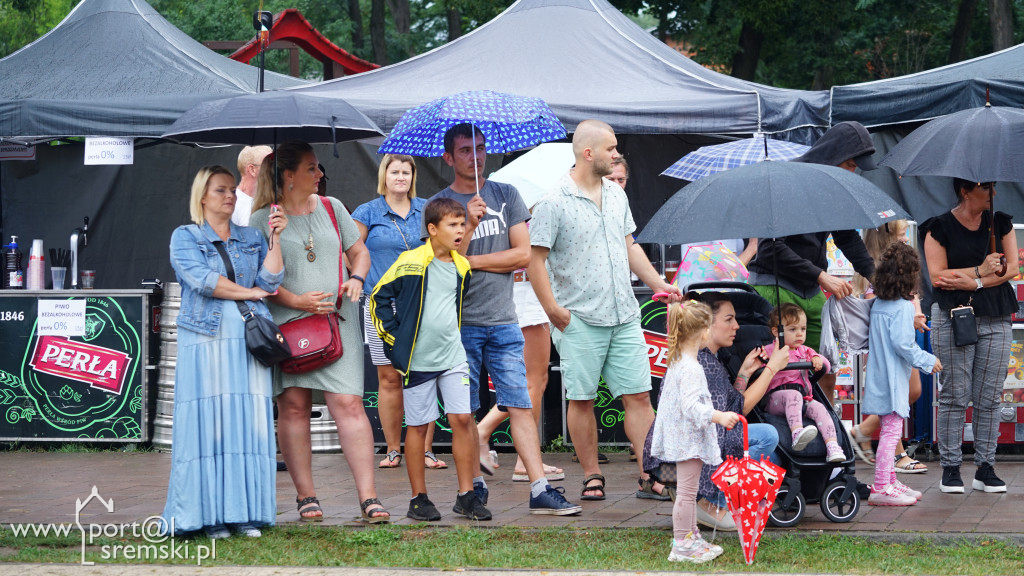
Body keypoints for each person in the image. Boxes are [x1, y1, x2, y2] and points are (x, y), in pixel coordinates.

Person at [529, 119, 682, 502]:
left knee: (639, 397)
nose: (617, 155)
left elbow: (629, 245)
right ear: (588, 153)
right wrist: (553, 311)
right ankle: (592, 474)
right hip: (579, 317)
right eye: (611, 149)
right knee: (582, 399)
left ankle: (652, 474)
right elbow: (535, 261)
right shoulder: (553, 202)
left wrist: (657, 283)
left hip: (625, 315)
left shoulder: (616, 195)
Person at [432, 123, 581, 516]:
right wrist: (472, 223)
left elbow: (521, 256)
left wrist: (472, 260)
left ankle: (539, 488)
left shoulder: (505, 194)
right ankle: (473, 490)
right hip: (458, 324)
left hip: (503, 320)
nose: (475, 157)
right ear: (449, 157)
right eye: (465, 150)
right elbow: (441, 262)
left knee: (519, 402)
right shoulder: (438, 204)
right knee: (463, 412)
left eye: (480, 148)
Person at [250, 141, 389, 523]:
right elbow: (258, 280)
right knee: (293, 407)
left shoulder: (334, 207)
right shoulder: (262, 219)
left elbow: (359, 252)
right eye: (311, 168)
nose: (320, 174)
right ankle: (305, 496)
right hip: (288, 324)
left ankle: (369, 497)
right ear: (288, 176)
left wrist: (357, 277)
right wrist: (298, 302)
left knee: (348, 404)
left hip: (337, 322)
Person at [164, 165, 287, 538]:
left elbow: (270, 280)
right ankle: (208, 516)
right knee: (209, 425)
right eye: (221, 191)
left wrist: (276, 239)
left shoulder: (251, 235)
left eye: (233, 190)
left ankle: (243, 513)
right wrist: (248, 293)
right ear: (202, 196)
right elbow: (201, 280)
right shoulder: (185, 236)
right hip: (205, 338)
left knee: (247, 425)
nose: (230, 196)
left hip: (246, 340)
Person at [370, 197, 487, 520]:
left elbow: (453, 306)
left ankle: (466, 495)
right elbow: (378, 297)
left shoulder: (462, 265)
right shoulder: (410, 261)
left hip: (453, 357)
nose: (460, 230)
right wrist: (395, 341)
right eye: (452, 225)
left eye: (462, 224)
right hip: (419, 362)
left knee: (462, 420)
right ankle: (418, 498)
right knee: (419, 427)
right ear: (432, 229)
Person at [747, 121, 878, 403]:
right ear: (835, 157)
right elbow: (770, 249)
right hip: (774, 286)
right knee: (780, 374)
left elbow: (848, 238)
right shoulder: (785, 182)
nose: (854, 173)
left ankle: (826, 439)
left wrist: (877, 277)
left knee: (826, 366)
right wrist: (821, 275)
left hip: (810, 290)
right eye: (852, 165)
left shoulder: (833, 186)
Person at [644, 291, 789, 530]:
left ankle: (715, 501)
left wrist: (744, 373)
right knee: (768, 438)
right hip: (686, 448)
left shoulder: (706, 358)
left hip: (682, 445)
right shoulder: (702, 364)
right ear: (707, 325)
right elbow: (733, 414)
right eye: (729, 319)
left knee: (770, 453)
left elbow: (730, 403)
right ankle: (711, 500)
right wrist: (773, 369)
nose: (737, 326)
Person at [922, 179, 1017, 494]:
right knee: (955, 394)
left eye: (993, 185)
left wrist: (972, 283)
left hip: (996, 314)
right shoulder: (938, 227)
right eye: (986, 186)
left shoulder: (1000, 223)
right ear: (965, 190)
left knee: (989, 396)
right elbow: (939, 277)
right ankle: (950, 468)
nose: (993, 191)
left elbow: (1013, 268)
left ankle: (986, 467)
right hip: (954, 316)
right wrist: (980, 271)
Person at [352, 154, 446, 472]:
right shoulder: (367, 212)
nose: (401, 177)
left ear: (413, 176)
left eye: (406, 172)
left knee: (424, 374)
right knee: (389, 377)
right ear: (384, 175)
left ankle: (426, 450)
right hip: (380, 305)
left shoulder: (428, 209)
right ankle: (393, 449)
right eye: (395, 171)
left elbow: (446, 248)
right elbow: (351, 253)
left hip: (424, 303)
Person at [650, 300, 734, 564]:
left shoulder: (679, 362)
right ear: (702, 332)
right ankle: (682, 544)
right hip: (688, 440)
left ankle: (690, 537)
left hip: (686, 438)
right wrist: (717, 416)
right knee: (687, 494)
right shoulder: (691, 368)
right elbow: (690, 406)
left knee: (688, 492)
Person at [863, 242, 941, 506]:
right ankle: (882, 486)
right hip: (894, 381)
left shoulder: (879, 305)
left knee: (890, 431)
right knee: (891, 433)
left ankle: (889, 481)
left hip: (879, 376)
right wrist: (928, 360)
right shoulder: (904, 307)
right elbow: (904, 345)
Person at [849, 221, 929, 473]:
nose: (906, 239)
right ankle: (895, 455)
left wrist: (915, 313)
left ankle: (863, 431)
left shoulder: (900, 266)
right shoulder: (878, 270)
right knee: (895, 395)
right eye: (902, 235)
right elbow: (881, 307)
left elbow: (910, 296)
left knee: (912, 390)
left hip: (905, 335)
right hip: (889, 345)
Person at [763, 303, 844, 462]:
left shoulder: (805, 351)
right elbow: (758, 369)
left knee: (820, 407)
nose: (799, 334)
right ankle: (796, 432)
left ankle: (832, 446)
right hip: (776, 400)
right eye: (793, 330)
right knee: (793, 395)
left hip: (802, 399)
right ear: (776, 331)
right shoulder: (769, 350)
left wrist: (817, 359)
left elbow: (827, 366)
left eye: (803, 329)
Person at [232, 145, 272, 226]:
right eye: (269, 165)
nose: (274, 169)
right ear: (252, 170)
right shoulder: (232, 202)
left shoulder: (274, 198)